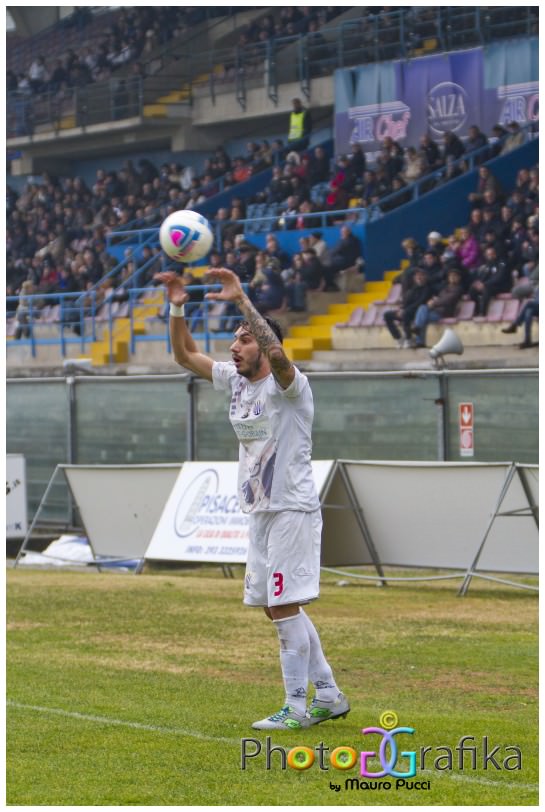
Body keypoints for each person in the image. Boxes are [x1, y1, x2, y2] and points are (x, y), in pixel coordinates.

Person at [155, 267, 349, 730]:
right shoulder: (237, 381)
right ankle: (329, 694)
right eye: (234, 340)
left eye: (243, 340)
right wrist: (177, 304)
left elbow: (280, 354)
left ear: (262, 345)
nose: (232, 347)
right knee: (275, 605)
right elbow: (184, 354)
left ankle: (297, 708)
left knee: (282, 606)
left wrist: (242, 300)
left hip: (292, 509)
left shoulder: (290, 386)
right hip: (260, 512)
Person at [412, 267, 464, 347]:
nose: (452, 278)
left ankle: (418, 333)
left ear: (459, 278)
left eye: (455, 276)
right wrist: (433, 301)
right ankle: (419, 340)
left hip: (445, 312)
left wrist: (434, 302)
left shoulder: (458, 289)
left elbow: (448, 300)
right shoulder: (445, 288)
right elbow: (440, 298)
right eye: (450, 276)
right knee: (422, 310)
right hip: (436, 311)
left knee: (422, 315)